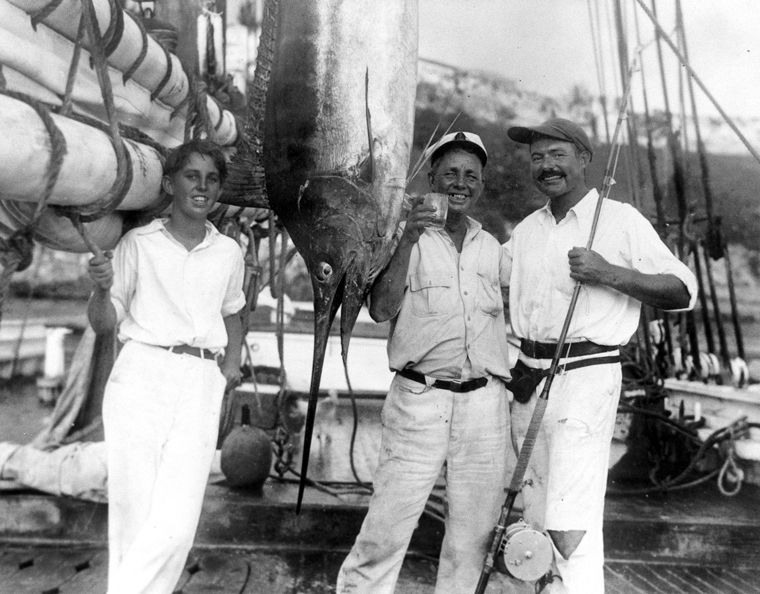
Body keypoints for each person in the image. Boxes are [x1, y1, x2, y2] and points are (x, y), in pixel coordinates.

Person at [503, 118, 697, 593]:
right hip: (528, 380)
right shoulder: (527, 231)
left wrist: (611, 273)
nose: (546, 165)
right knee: (535, 522)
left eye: (557, 155)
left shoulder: (620, 220)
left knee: (570, 524)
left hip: (584, 378)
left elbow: (682, 289)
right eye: (537, 158)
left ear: (584, 159)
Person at [337, 131, 514, 593]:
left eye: (471, 175)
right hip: (420, 400)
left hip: (484, 406)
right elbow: (380, 309)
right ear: (431, 176)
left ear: (481, 184)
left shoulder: (492, 248)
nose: (460, 183)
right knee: (386, 530)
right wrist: (409, 236)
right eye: (450, 172)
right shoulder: (400, 235)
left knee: (472, 540)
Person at [87, 138, 245, 594]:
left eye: (212, 179)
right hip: (141, 374)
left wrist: (231, 362)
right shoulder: (138, 244)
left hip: (200, 381)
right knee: (132, 515)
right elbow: (104, 324)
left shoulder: (228, 253)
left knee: (176, 523)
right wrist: (99, 290)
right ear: (171, 183)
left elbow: (234, 311)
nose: (203, 187)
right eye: (192, 176)